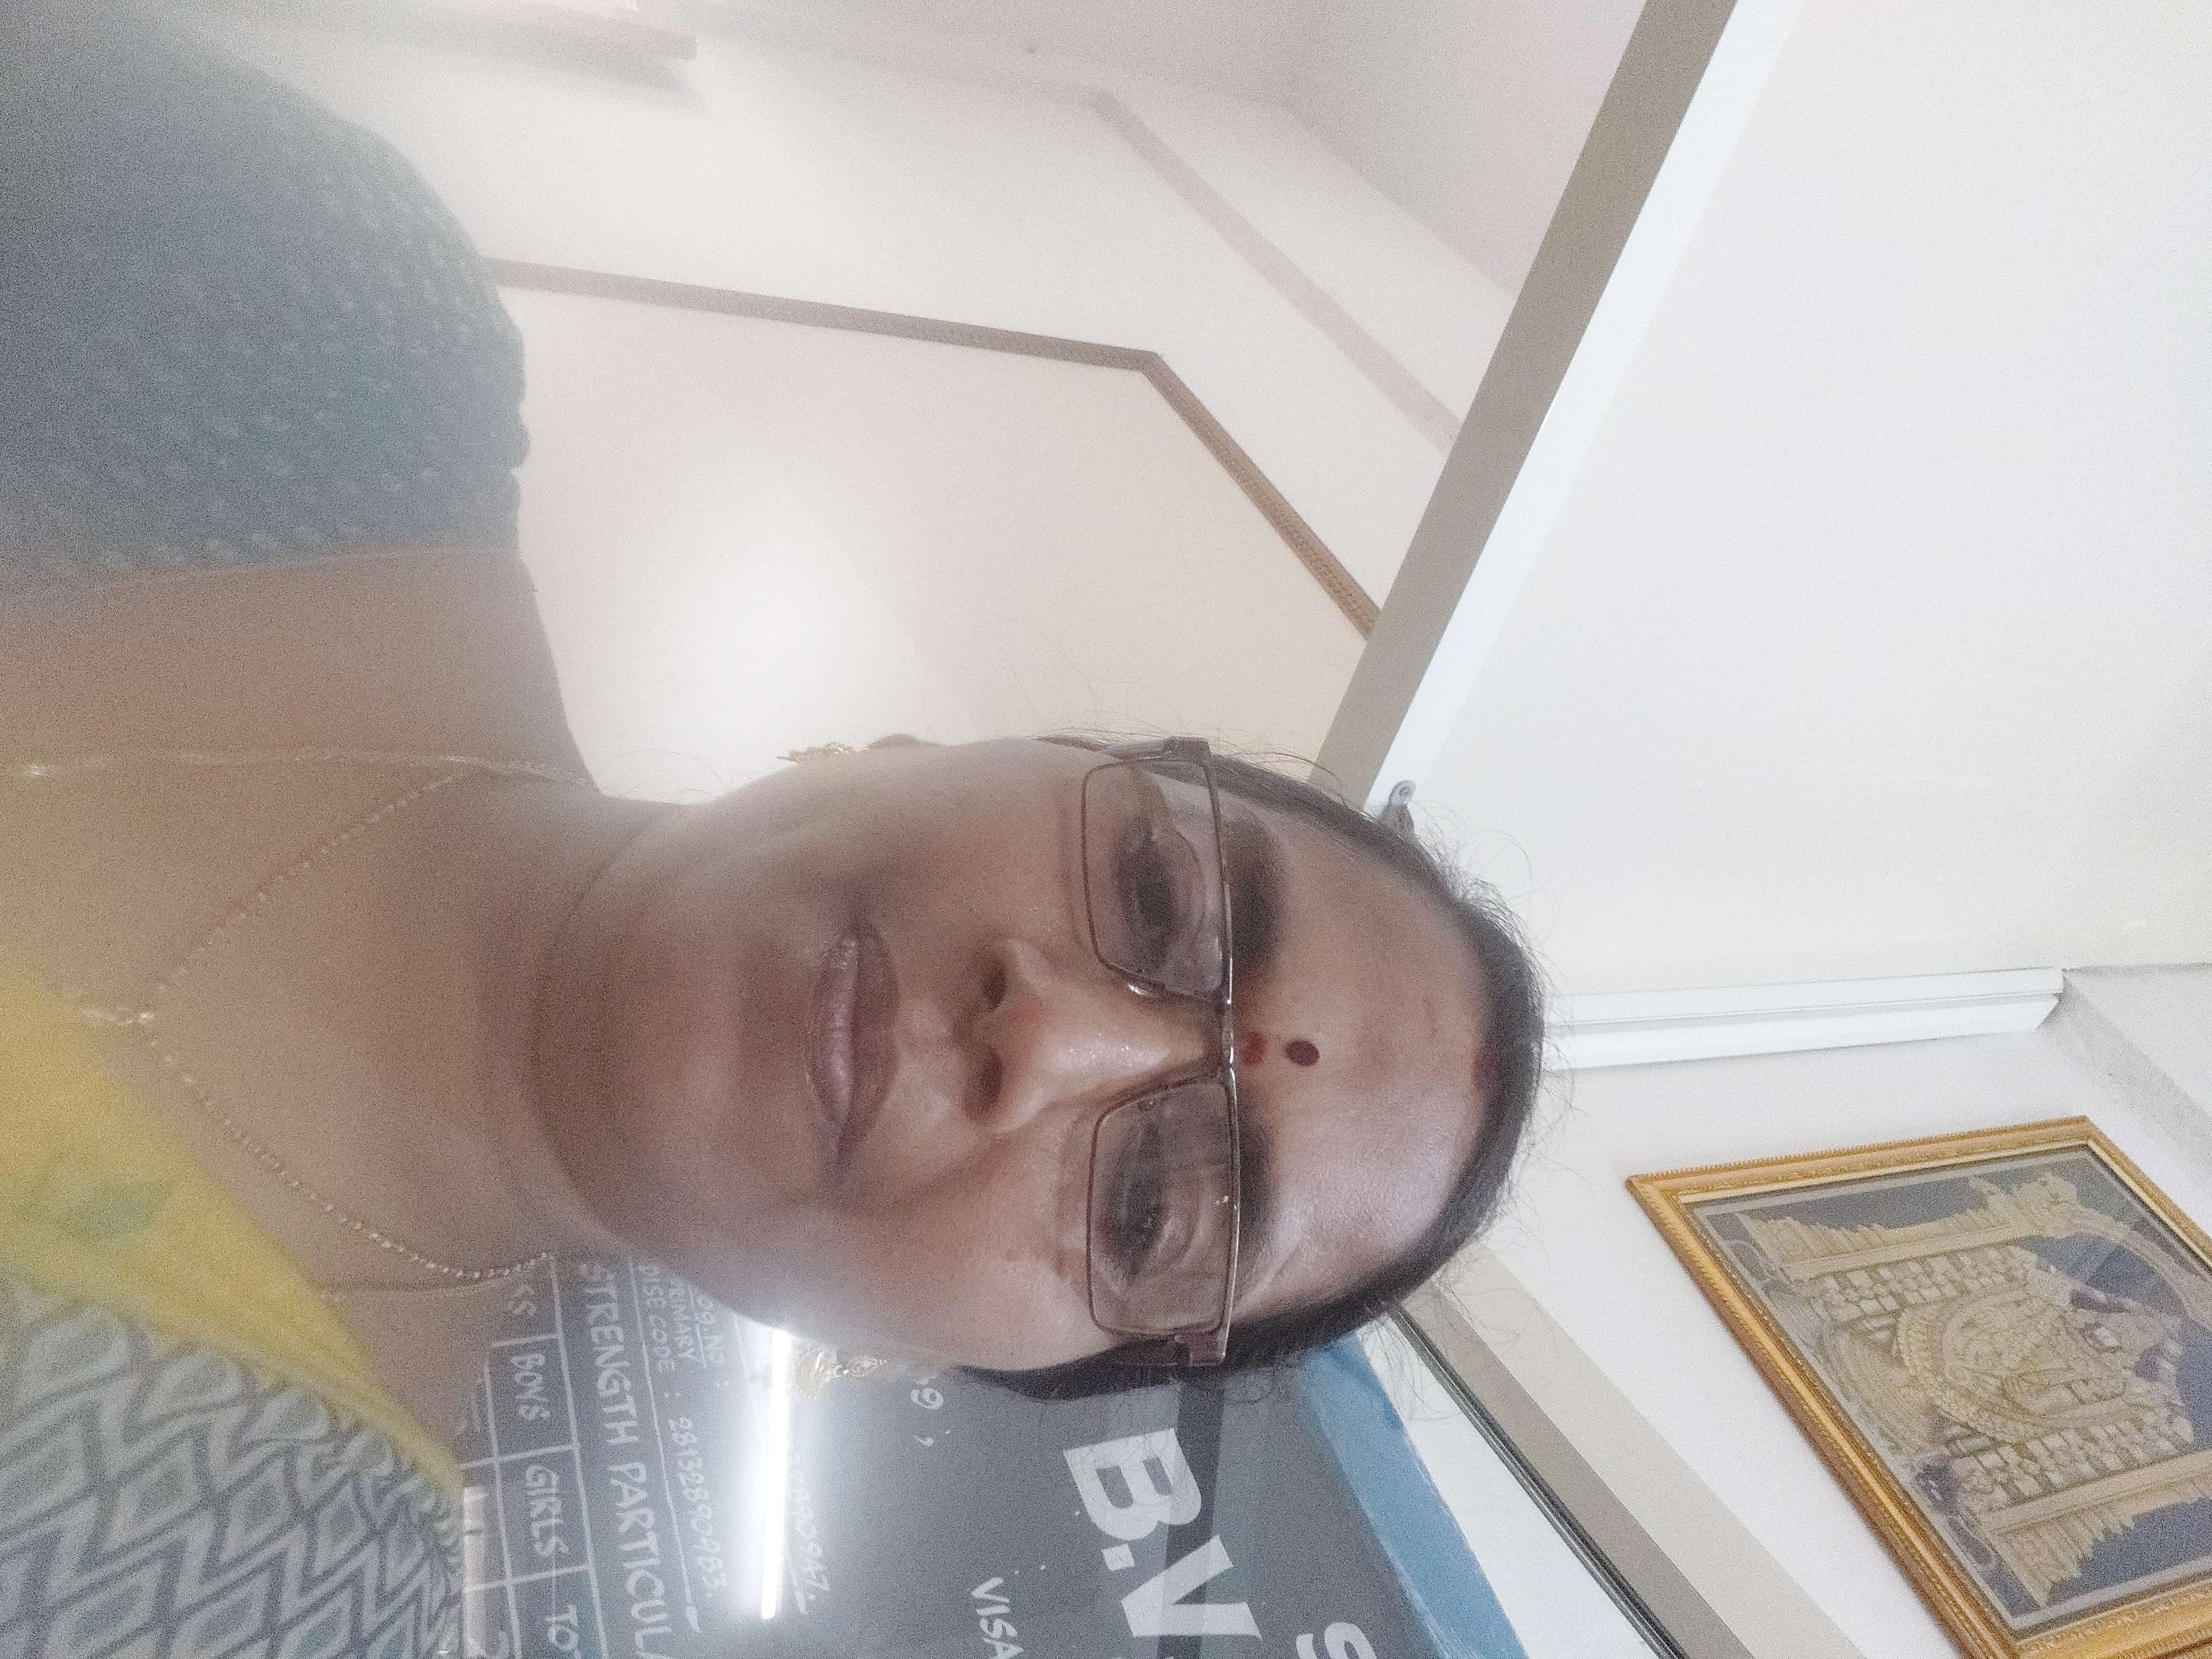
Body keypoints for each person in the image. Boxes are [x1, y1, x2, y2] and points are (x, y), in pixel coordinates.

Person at [0, 7, 1543, 1656]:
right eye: (1158, 897)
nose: (1051, 1039)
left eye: (1151, 1205)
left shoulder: (237, 1590)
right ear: (947, 750)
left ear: (972, 1360)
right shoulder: (289, 305)